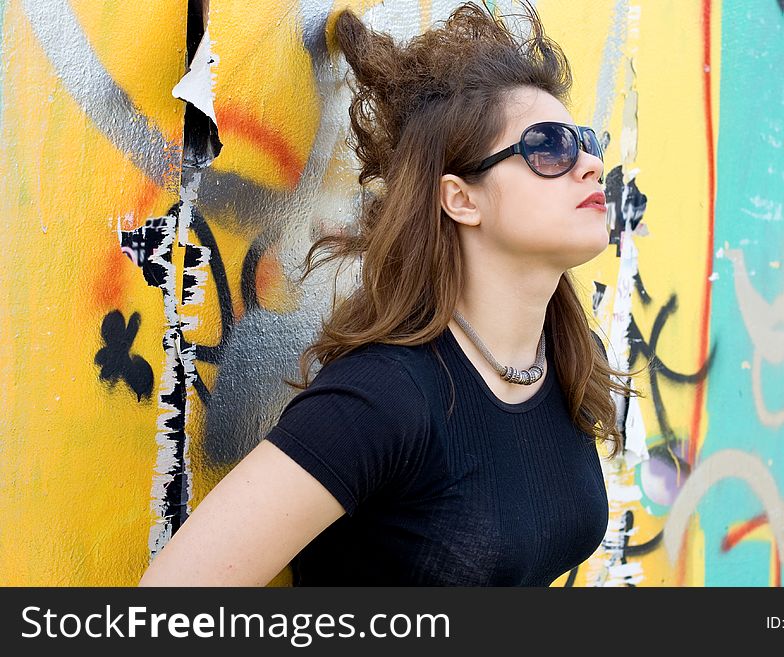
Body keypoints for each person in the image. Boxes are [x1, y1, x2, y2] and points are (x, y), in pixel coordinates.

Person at [139, 0, 643, 587]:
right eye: (548, 147)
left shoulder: (570, 362)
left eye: (586, 142)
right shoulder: (385, 397)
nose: (588, 165)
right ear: (461, 199)